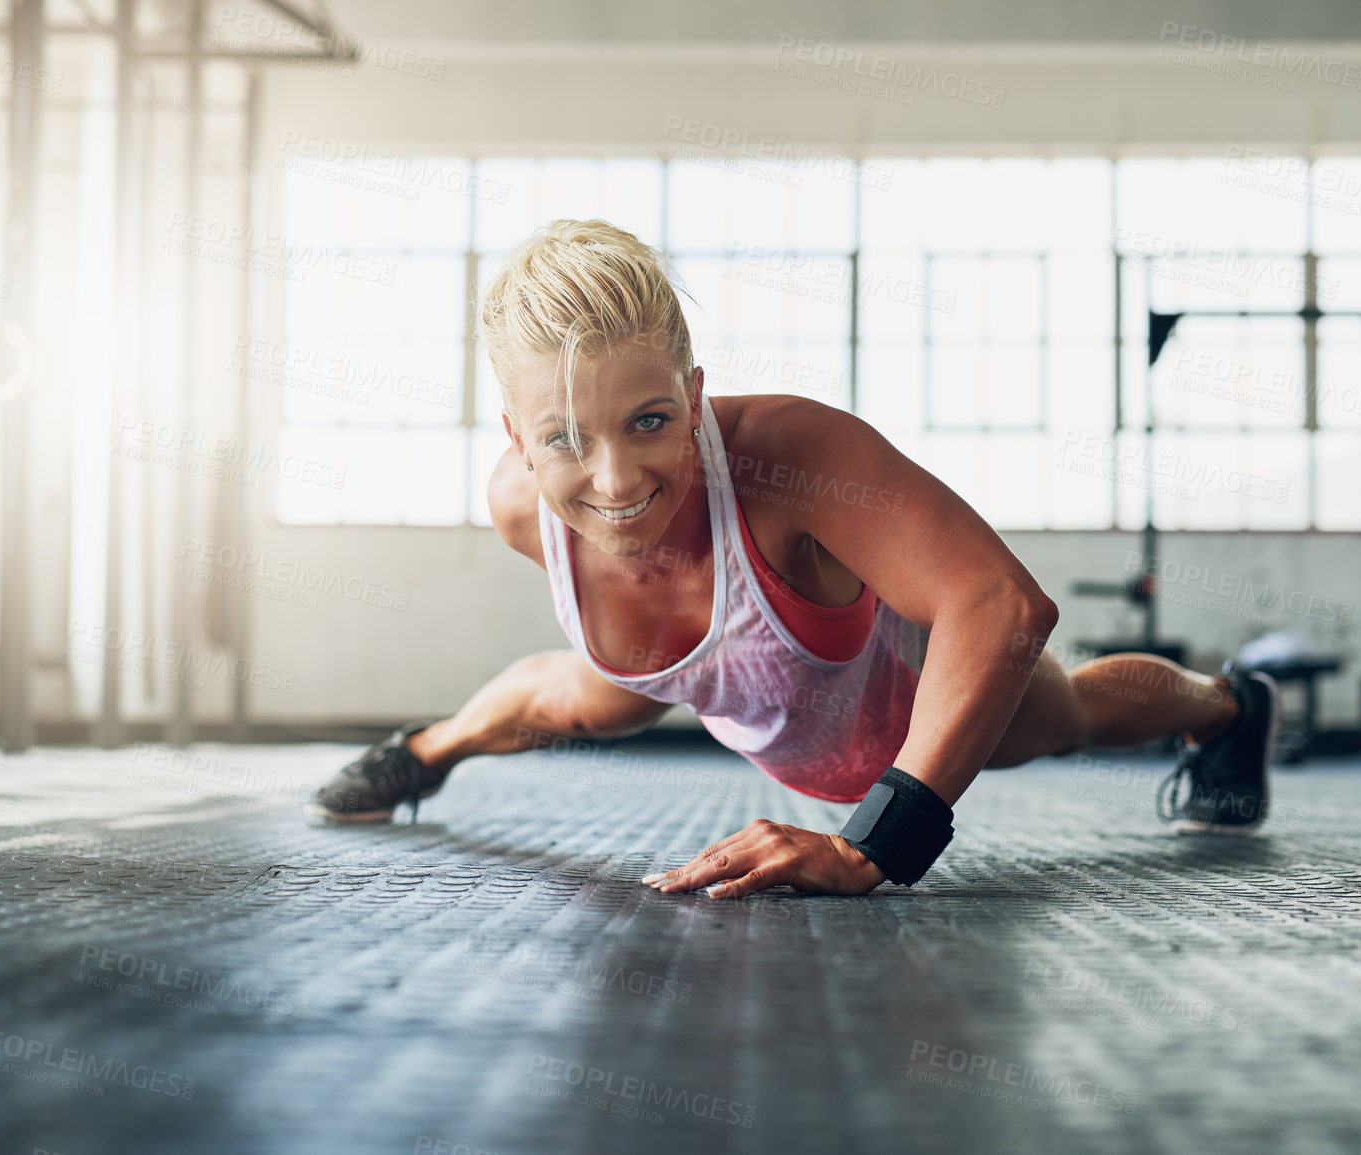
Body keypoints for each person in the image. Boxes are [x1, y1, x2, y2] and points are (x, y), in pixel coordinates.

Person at [306, 219, 1279, 897]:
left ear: (693, 397)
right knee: (586, 696)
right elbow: (602, 641)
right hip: (717, 676)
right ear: (517, 437)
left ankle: (1230, 708)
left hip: (878, 689)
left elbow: (1000, 603)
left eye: (649, 421)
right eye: (564, 440)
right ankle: (422, 754)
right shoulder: (520, 510)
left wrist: (874, 849)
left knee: (1062, 717)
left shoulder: (793, 456)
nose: (614, 481)